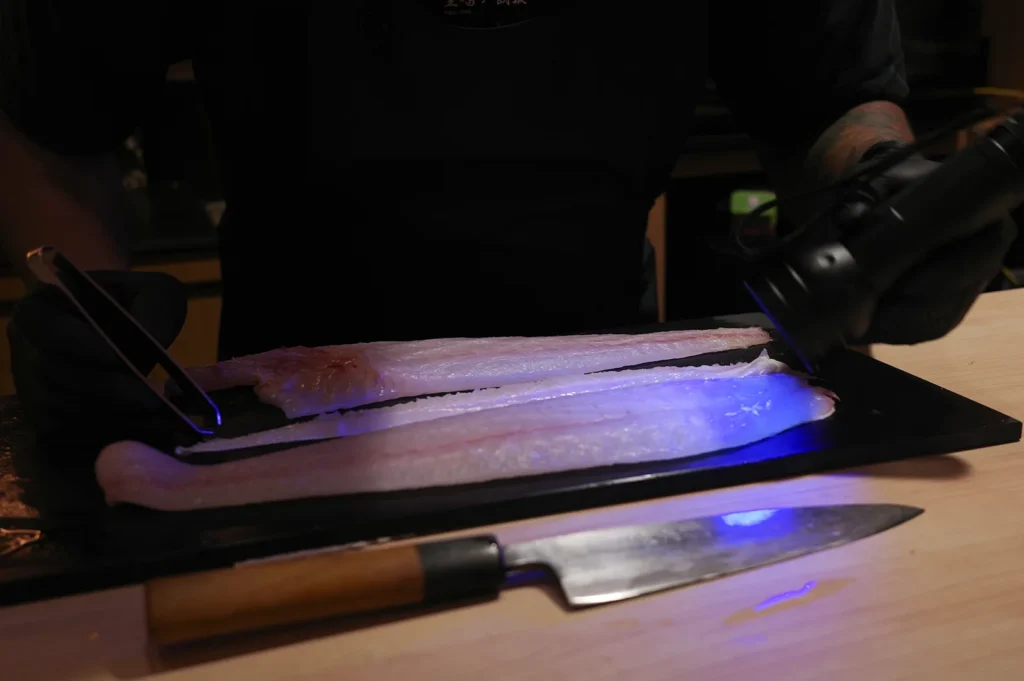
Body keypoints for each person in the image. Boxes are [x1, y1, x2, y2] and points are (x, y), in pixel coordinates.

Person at [2, 0, 1016, 450]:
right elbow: (49, 119)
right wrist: (86, 309)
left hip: (617, 402)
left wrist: (887, 204)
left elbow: (829, 99)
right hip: (280, 412)